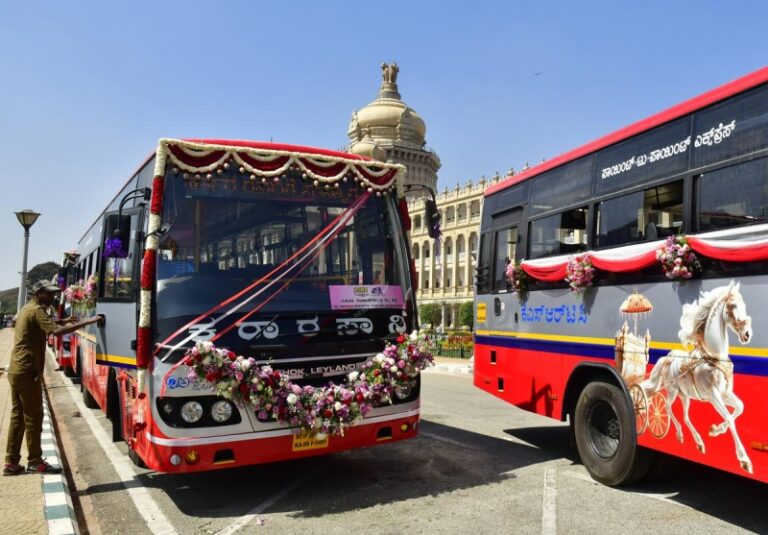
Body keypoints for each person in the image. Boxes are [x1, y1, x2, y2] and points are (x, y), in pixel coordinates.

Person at [4, 279, 103, 475]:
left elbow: (44, 324)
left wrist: (63, 320)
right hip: (27, 371)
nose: (52, 297)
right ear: (38, 293)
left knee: (18, 417)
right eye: (48, 294)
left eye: (53, 294)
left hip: (16, 370)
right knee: (33, 417)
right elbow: (56, 332)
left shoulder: (28, 309)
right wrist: (88, 321)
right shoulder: (37, 310)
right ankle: (34, 461)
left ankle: (11, 462)